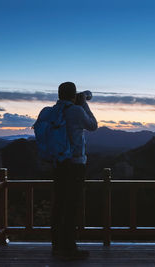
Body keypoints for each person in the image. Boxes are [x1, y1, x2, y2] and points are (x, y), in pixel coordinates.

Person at [51, 81, 98, 260]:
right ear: (74, 95)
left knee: (59, 204)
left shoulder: (53, 111)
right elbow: (93, 125)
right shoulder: (76, 111)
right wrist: (84, 103)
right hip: (75, 164)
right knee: (72, 205)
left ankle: (56, 245)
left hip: (58, 164)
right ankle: (70, 248)